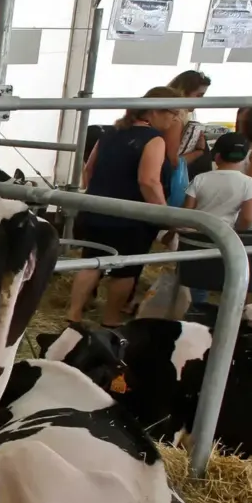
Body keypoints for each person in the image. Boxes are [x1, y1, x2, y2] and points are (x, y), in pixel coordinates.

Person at [66, 87, 182, 327]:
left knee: (91, 262)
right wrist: (164, 213)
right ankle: (111, 319)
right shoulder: (153, 139)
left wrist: (98, 193)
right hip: (130, 216)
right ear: (155, 111)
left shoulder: (109, 132)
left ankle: (73, 314)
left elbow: (89, 169)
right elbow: (148, 181)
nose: (174, 119)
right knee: (124, 270)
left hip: (96, 208)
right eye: (172, 112)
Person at [183, 133, 252, 230]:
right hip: (223, 239)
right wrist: (237, 234)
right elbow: (247, 218)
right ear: (244, 157)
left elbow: (187, 212)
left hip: (196, 236)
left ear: (217, 156)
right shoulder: (248, 183)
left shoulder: (199, 178)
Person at [167, 70, 210, 178]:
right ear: (184, 93)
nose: (201, 101)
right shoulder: (175, 120)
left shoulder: (177, 118)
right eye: (199, 95)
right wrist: (199, 151)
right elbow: (172, 163)